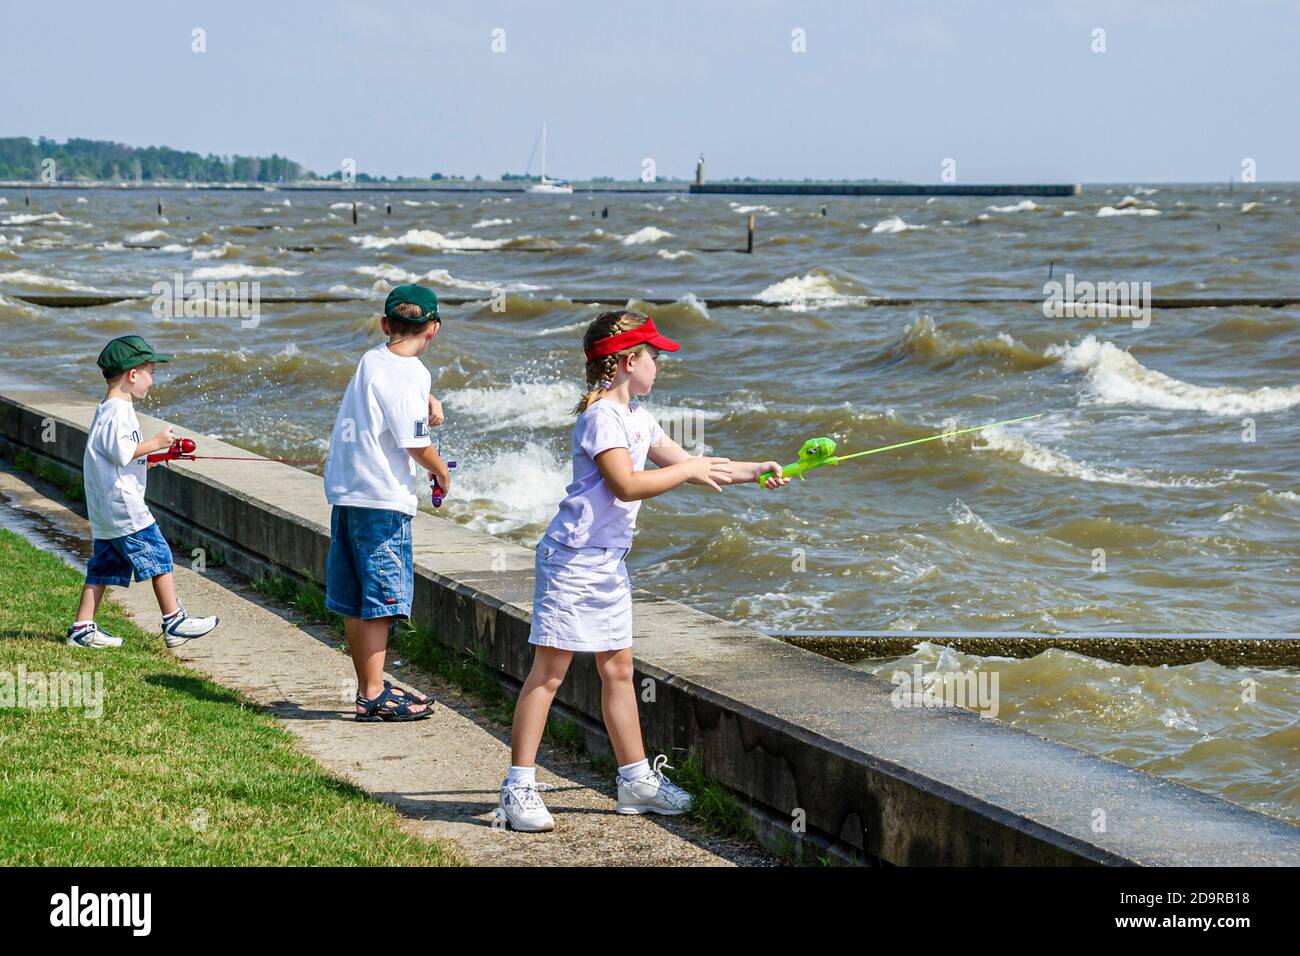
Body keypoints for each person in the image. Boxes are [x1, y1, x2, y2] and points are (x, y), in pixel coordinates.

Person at [498, 309, 789, 831]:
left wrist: (755, 471)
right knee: (550, 674)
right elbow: (626, 485)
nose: (660, 364)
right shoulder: (600, 418)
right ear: (628, 361)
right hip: (571, 561)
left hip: (608, 564)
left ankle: (634, 782)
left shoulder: (637, 418)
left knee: (619, 671)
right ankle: (518, 786)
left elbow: (695, 465)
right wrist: (687, 470)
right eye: (654, 355)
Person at [323, 285, 452, 721]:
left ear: (385, 325)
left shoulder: (372, 360)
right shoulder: (413, 374)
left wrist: (428, 399)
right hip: (382, 500)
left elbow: (391, 393)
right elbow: (415, 443)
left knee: (356, 596)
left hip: (348, 493)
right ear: (433, 328)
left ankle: (368, 687)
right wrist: (440, 470)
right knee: (380, 599)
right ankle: (375, 693)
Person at [68, 335, 220, 649]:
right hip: (124, 505)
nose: (153, 379)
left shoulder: (109, 409)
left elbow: (118, 456)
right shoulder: (118, 410)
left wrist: (158, 456)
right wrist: (158, 442)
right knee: (159, 554)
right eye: (150, 371)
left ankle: (82, 628)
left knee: (104, 565)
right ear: (132, 374)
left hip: (107, 506)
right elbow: (124, 451)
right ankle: (174, 621)